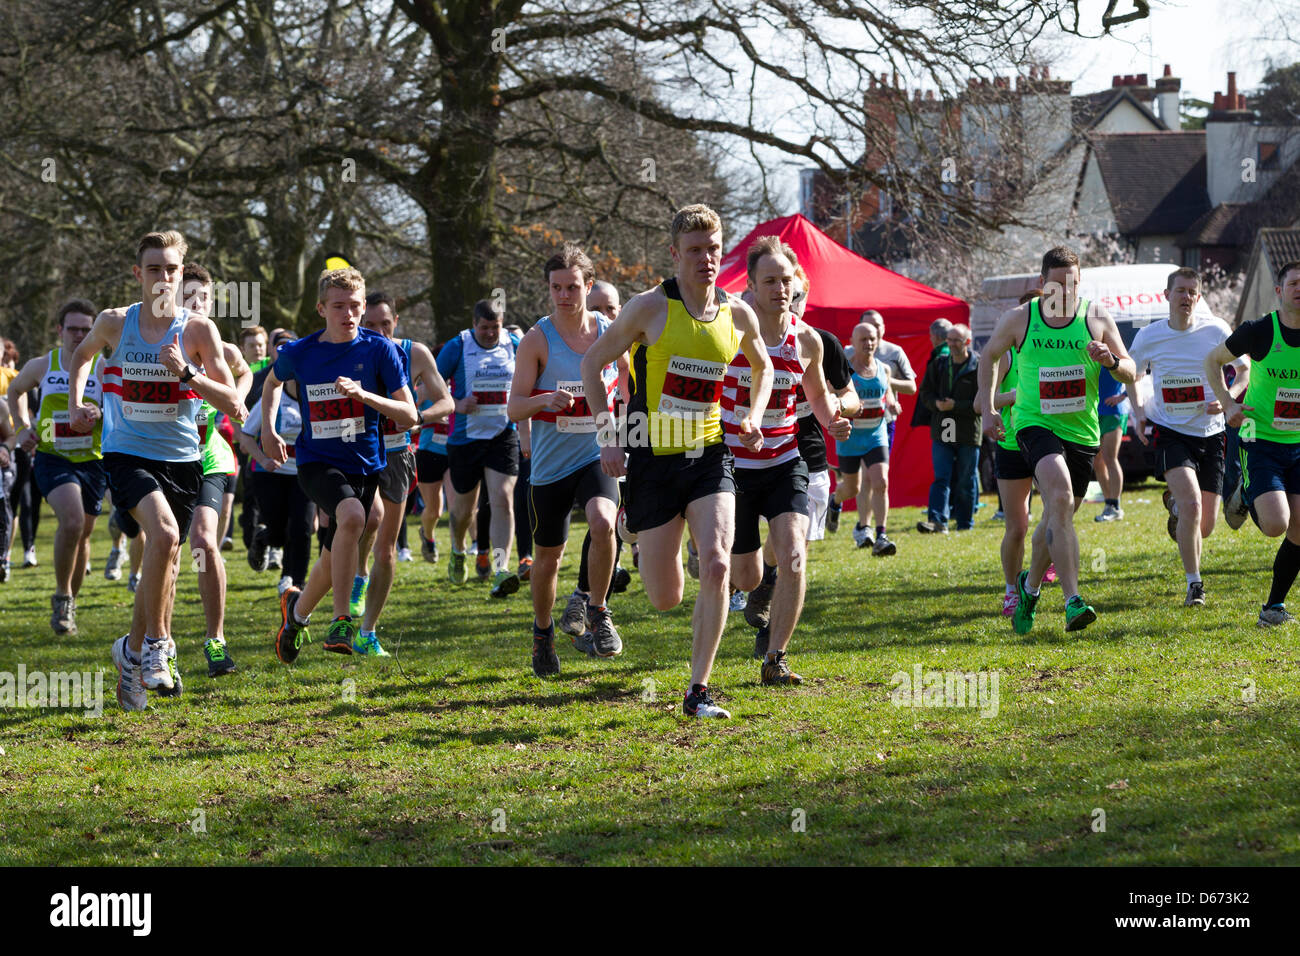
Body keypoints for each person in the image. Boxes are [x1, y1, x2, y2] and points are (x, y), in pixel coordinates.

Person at [580, 203, 772, 718]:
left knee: (716, 564)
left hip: (709, 455)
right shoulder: (648, 308)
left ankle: (699, 691)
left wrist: (751, 415)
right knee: (666, 597)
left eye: (713, 249)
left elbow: (764, 366)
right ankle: (634, 529)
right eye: (694, 250)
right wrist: (607, 437)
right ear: (674, 254)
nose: (706, 259)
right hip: (650, 457)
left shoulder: (738, 314)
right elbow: (592, 363)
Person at [68, 230, 241, 709]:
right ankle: (159, 648)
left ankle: (130, 649)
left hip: (183, 459)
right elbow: (81, 356)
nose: (163, 277)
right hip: (125, 452)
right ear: (137, 274)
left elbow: (234, 402)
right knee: (163, 536)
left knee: (167, 558)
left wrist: (188, 373)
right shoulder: (113, 322)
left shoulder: (199, 331)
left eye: (171, 269)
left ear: (182, 272)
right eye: (153, 269)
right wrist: (78, 400)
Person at [979, 245, 1135, 634]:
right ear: (1042, 283)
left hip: (1082, 432)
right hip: (1034, 425)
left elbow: (1131, 371)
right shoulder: (1020, 318)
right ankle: (1072, 601)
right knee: (1060, 496)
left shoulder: (1095, 317)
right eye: (1058, 285)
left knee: (1057, 515)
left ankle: (1029, 587)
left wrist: (1112, 362)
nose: (1066, 293)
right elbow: (989, 356)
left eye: (1074, 285)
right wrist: (989, 410)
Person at [265, 267, 416, 661]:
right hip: (316, 462)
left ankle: (296, 615)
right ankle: (342, 621)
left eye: (354, 306)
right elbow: (271, 382)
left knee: (334, 555)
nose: (348, 314)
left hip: (365, 465)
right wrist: (267, 429)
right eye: (338, 307)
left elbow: (409, 414)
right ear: (321, 309)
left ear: (364, 307)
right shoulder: (300, 352)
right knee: (350, 518)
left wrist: (366, 396)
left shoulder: (380, 350)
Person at [725, 237, 845, 682]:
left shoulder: (807, 339)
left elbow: (816, 395)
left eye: (786, 279)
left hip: (784, 460)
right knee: (748, 575)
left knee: (795, 554)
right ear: (752, 285)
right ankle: (716, 558)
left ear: (797, 283)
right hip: (732, 466)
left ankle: (775, 659)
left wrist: (834, 419)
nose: (779, 288)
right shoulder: (730, 330)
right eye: (769, 280)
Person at [508, 244, 625, 675]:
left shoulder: (610, 331)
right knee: (548, 559)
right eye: (556, 288)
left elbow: (628, 384)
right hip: (550, 467)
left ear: (588, 286)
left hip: (596, 454)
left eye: (572, 287)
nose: (564, 295)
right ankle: (542, 633)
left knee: (603, 521)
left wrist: (627, 426)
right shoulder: (537, 340)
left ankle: (598, 612)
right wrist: (543, 399)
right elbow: (514, 407)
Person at [741, 266, 857, 631]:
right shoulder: (745, 336)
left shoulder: (818, 342)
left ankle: (773, 641)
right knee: (755, 560)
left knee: (795, 548)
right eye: (774, 285)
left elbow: (845, 394)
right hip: (749, 450)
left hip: (804, 450)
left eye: (797, 294)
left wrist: (840, 411)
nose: (790, 300)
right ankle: (762, 578)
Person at [1127, 268, 1238, 606]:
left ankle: (1175, 504)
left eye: (1192, 292)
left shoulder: (1216, 329)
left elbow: (1243, 367)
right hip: (1170, 430)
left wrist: (1227, 396)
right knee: (1192, 505)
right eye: (1181, 291)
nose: (1186, 297)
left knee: (1204, 526)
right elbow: (1131, 373)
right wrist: (1138, 411)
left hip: (1210, 433)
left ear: (1199, 297)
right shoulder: (1149, 335)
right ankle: (1195, 585)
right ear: (1167, 295)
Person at [352, 291, 452, 655]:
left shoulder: (415, 352)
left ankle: (368, 632)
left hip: (397, 454)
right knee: (368, 521)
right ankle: (358, 577)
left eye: (385, 324)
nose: (378, 331)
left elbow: (447, 402)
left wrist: (415, 420)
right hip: (358, 453)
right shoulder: (348, 351)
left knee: (387, 549)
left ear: (396, 322)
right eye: (370, 325)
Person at [1205, 259, 1300, 626]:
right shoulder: (1260, 331)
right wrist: (1228, 404)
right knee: (1277, 523)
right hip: (1258, 437)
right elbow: (1212, 361)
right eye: (1293, 283)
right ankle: (1245, 492)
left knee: (1299, 531)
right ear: (1279, 291)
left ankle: (1272, 608)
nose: (1299, 289)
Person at [6, 299, 107, 635]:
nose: (80, 335)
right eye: (73, 328)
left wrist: (100, 414)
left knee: (83, 535)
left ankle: (69, 605)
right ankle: (62, 596)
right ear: (60, 330)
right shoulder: (43, 365)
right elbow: (15, 390)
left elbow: (120, 408)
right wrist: (22, 429)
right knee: (73, 520)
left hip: (94, 461)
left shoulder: (104, 368)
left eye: (86, 329)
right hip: (53, 456)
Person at [181, 264, 254, 676]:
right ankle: (160, 641)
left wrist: (237, 401)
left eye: (203, 298)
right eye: (188, 297)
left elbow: (243, 375)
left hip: (209, 455)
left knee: (204, 543)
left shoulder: (223, 350)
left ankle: (216, 640)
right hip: (162, 459)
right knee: (168, 550)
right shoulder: (157, 345)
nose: (196, 305)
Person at [437, 300, 524, 598]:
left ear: (502, 323)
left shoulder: (514, 343)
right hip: (465, 439)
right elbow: (433, 382)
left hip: (503, 434)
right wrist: (457, 404)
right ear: (474, 324)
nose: (489, 333)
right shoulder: (457, 346)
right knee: (463, 511)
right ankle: (459, 549)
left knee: (502, 499)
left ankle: (501, 570)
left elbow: (531, 376)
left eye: (495, 327)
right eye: (484, 328)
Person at [832, 322, 899, 553]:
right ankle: (836, 500)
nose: (869, 343)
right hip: (850, 437)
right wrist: (848, 408)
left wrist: (892, 402)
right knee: (852, 489)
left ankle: (881, 534)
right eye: (863, 339)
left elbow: (886, 391)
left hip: (875, 434)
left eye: (872, 339)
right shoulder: (845, 370)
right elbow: (831, 399)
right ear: (852, 341)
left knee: (881, 482)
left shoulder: (884, 368)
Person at [918, 323, 981, 532]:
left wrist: (957, 405)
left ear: (967, 342)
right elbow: (925, 393)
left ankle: (964, 523)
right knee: (942, 476)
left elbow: (984, 400)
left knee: (966, 478)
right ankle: (937, 520)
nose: (952, 344)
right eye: (949, 340)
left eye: (956, 340)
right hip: (944, 426)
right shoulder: (939, 364)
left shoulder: (979, 365)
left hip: (968, 428)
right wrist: (936, 404)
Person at [907, 317, 954, 534]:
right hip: (954, 421)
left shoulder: (942, 358)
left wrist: (935, 405)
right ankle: (958, 516)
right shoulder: (951, 356)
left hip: (947, 421)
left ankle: (939, 516)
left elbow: (940, 394)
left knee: (944, 471)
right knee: (961, 471)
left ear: (935, 336)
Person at [1092, 367, 1130, 521]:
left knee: (1110, 458)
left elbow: (1138, 373)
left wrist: (1122, 396)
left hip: (1113, 411)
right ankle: (1109, 504)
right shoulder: (1087, 349)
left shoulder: (1114, 351)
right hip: (1094, 411)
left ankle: (1115, 505)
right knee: (1097, 461)